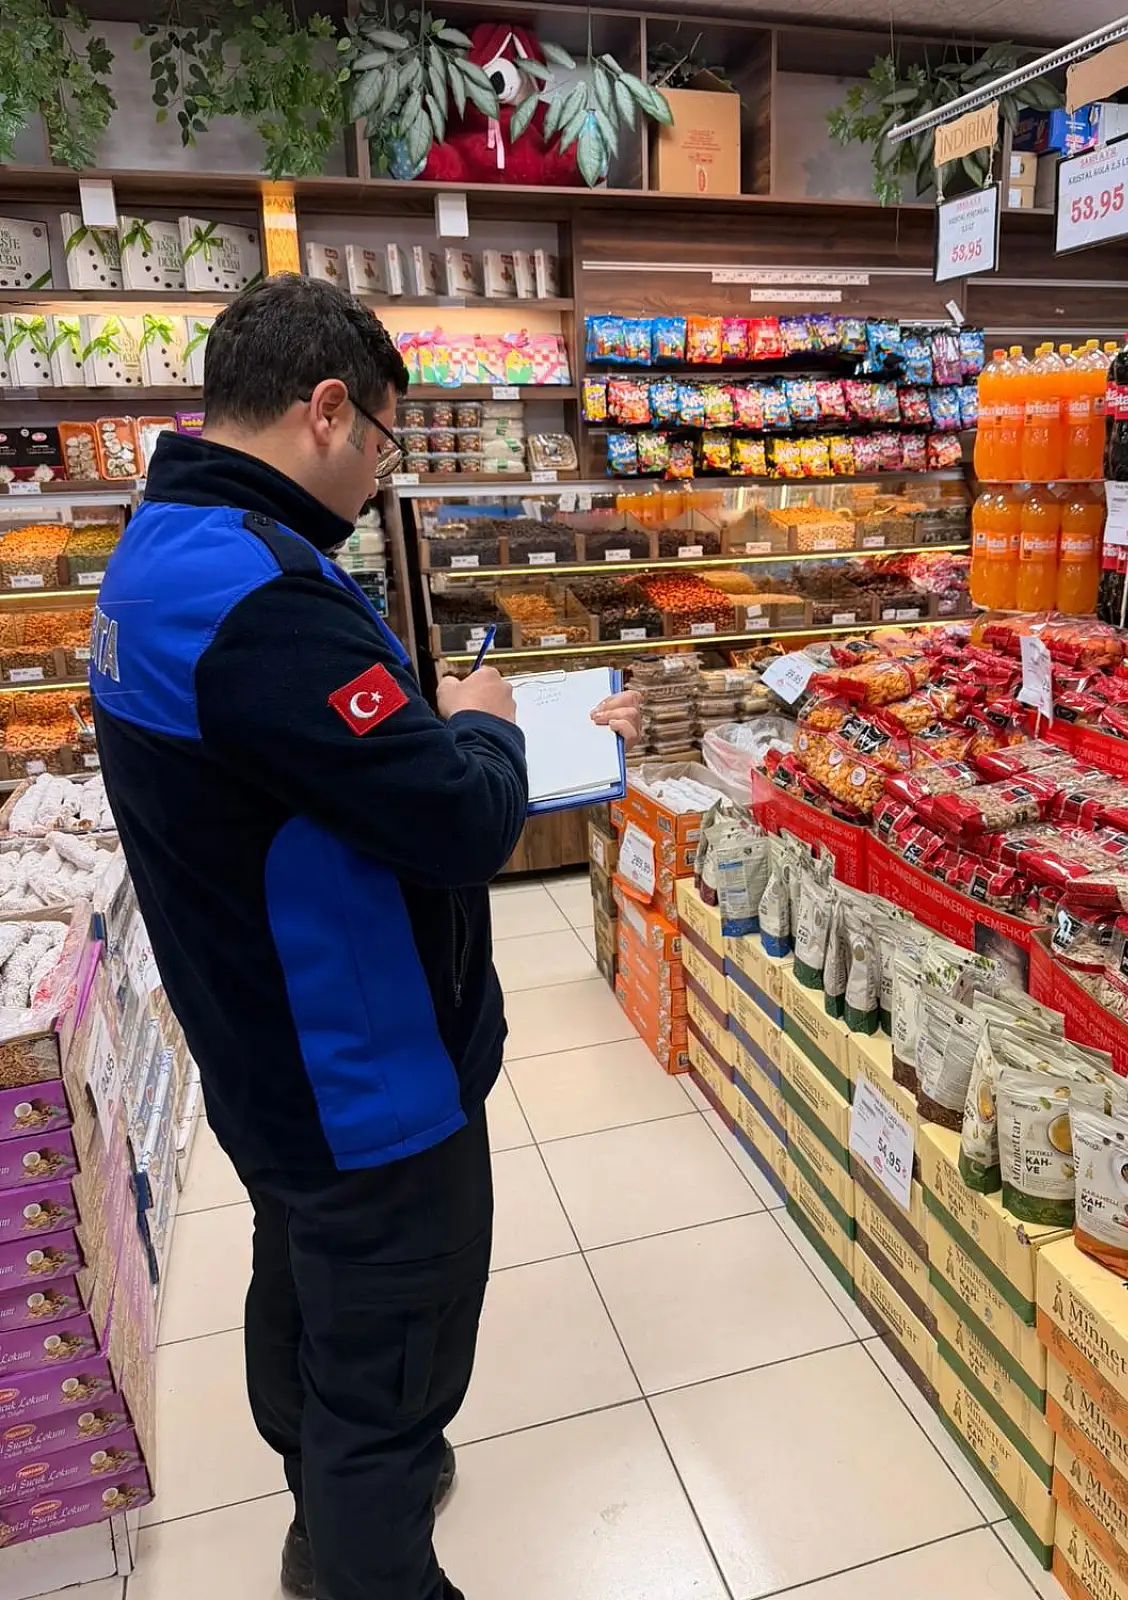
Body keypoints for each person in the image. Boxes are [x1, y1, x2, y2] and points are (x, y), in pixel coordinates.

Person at [88, 274, 640, 1600]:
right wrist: (489, 719)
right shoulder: (259, 602)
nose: (379, 476)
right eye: (385, 443)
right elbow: (456, 825)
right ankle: (357, 1542)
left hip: (269, 1055)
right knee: (391, 1370)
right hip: (363, 1079)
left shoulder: (163, 546)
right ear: (329, 410)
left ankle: (321, 1492)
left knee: (307, 1285)